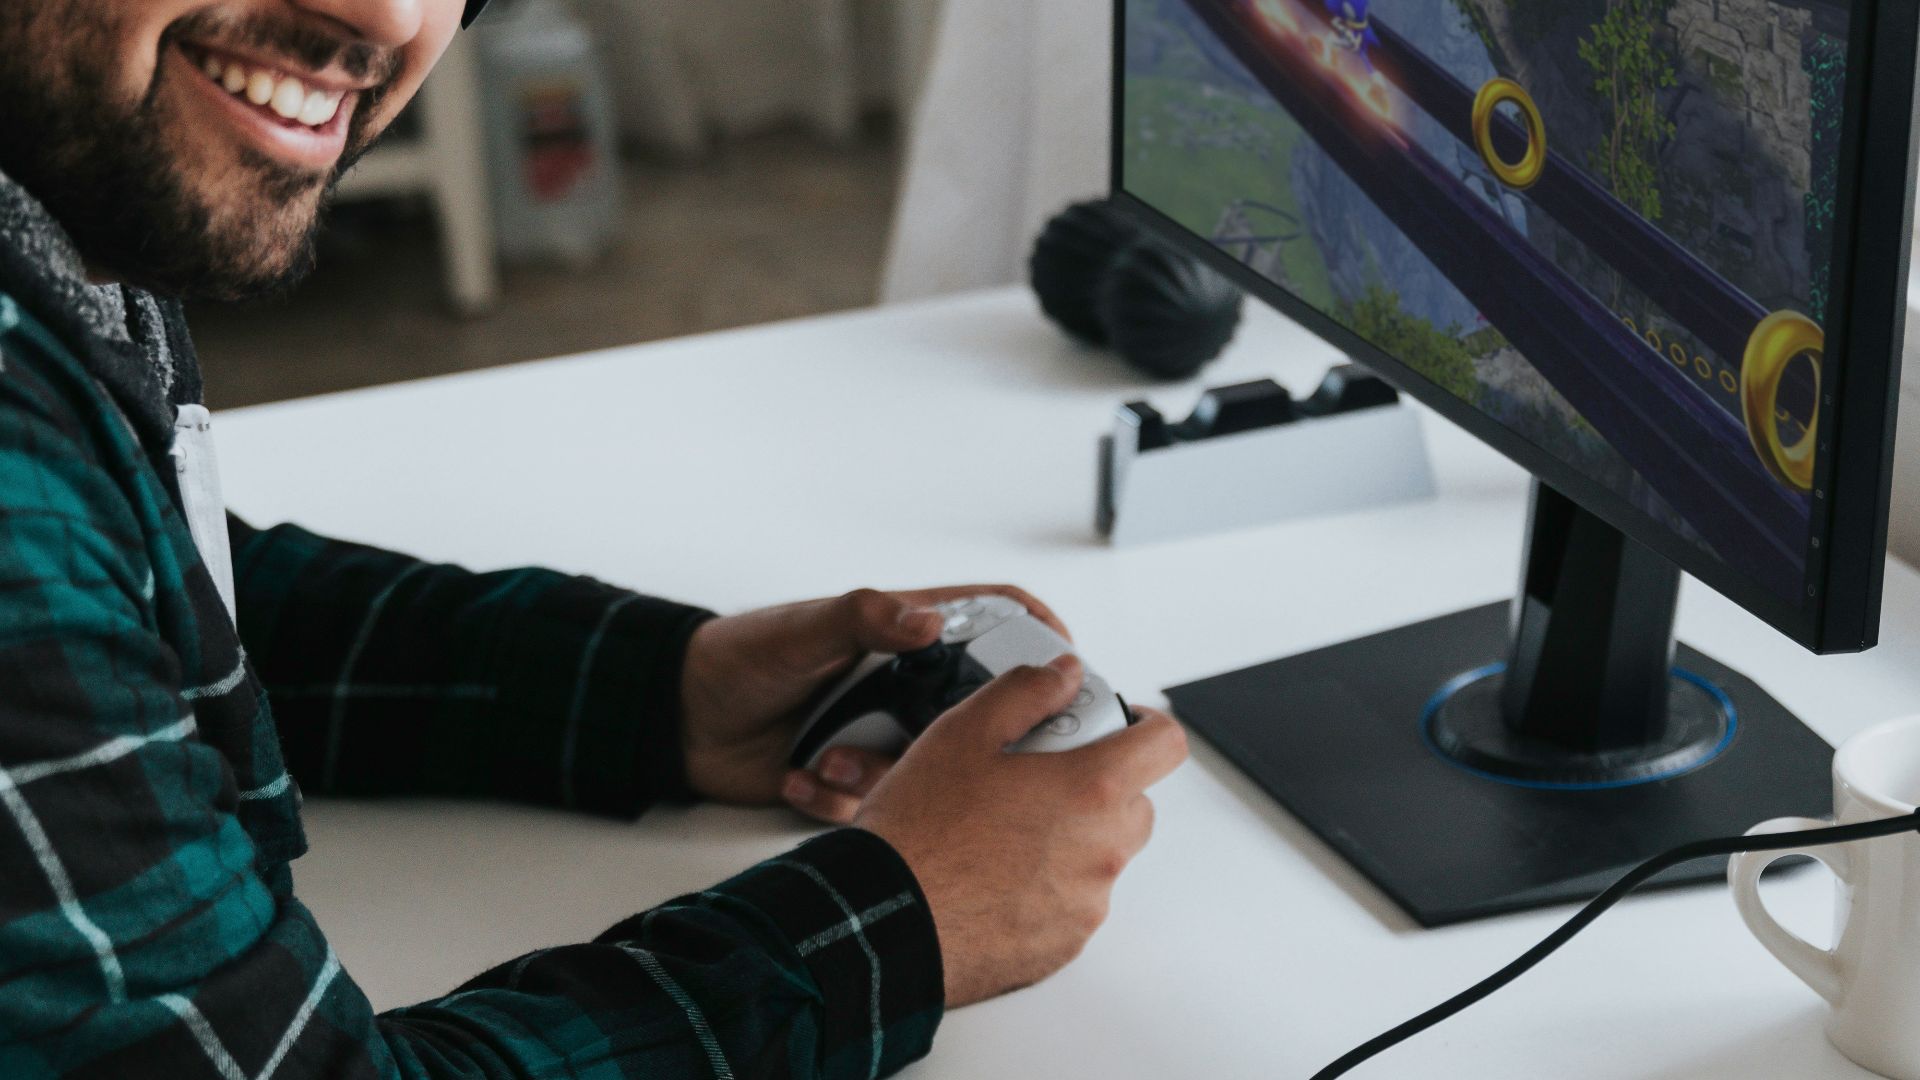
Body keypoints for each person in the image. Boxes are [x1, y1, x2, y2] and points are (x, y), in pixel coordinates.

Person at [0, 2, 1189, 1077]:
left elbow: (150, 597)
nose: (390, 18)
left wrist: (653, 688)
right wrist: (906, 916)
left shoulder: (66, 212)